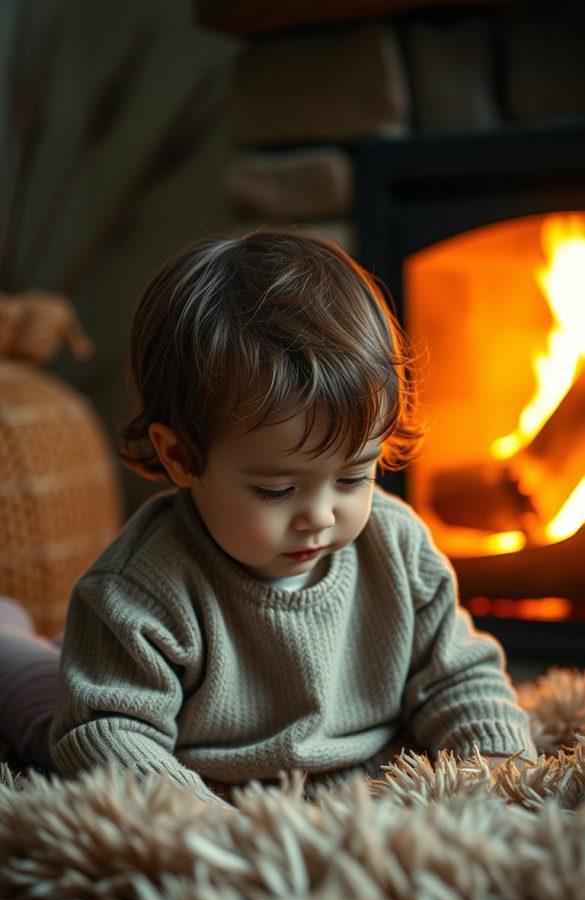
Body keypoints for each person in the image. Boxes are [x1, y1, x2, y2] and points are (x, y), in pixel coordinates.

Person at [0, 229, 536, 806]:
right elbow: (107, 732)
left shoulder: (396, 546)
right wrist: (215, 826)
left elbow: (457, 675)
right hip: (191, 756)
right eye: (277, 489)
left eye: (354, 476)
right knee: (42, 700)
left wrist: (499, 764)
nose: (321, 515)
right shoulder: (139, 590)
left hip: (316, 770)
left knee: (78, 664)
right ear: (181, 456)